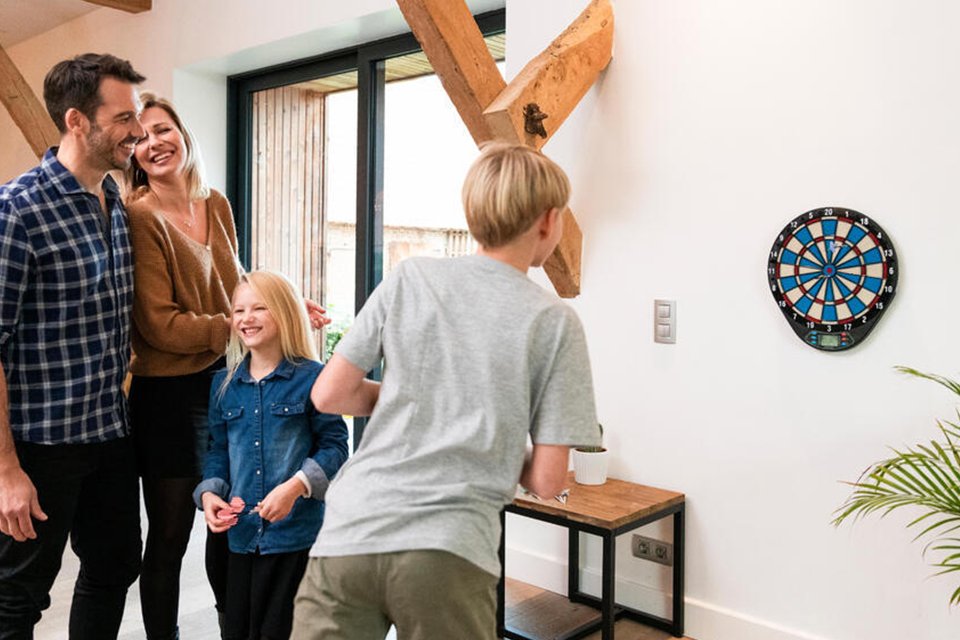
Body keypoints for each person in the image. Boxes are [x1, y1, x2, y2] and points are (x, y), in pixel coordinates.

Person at [291, 141, 601, 640]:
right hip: (448, 549)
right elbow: (547, 480)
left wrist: (412, 402)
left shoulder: (411, 276)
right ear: (547, 220)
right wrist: (486, 434)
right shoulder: (555, 322)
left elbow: (328, 395)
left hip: (350, 534)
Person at [0, 53, 147, 639]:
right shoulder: (17, 210)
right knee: (18, 597)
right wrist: (6, 470)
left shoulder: (115, 204)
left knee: (115, 566)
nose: (136, 130)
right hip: (41, 445)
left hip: (109, 431)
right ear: (77, 121)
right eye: (123, 118)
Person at [121, 90, 242, 640]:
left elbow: (235, 285)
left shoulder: (214, 202)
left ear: (182, 132)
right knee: (170, 534)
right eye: (141, 138)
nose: (154, 144)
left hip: (225, 383)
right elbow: (159, 326)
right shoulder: (139, 217)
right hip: (167, 396)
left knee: (229, 521)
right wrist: (234, 324)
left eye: (162, 129)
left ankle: (233, 628)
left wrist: (270, 308)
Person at [195, 270, 349, 640]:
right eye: (238, 311)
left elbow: (336, 447)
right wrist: (209, 493)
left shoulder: (315, 378)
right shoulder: (223, 384)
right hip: (237, 539)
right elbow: (217, 452)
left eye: (259, 308)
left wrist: (296, 487)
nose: (246, 318)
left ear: (285, 312)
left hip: (295, 539)